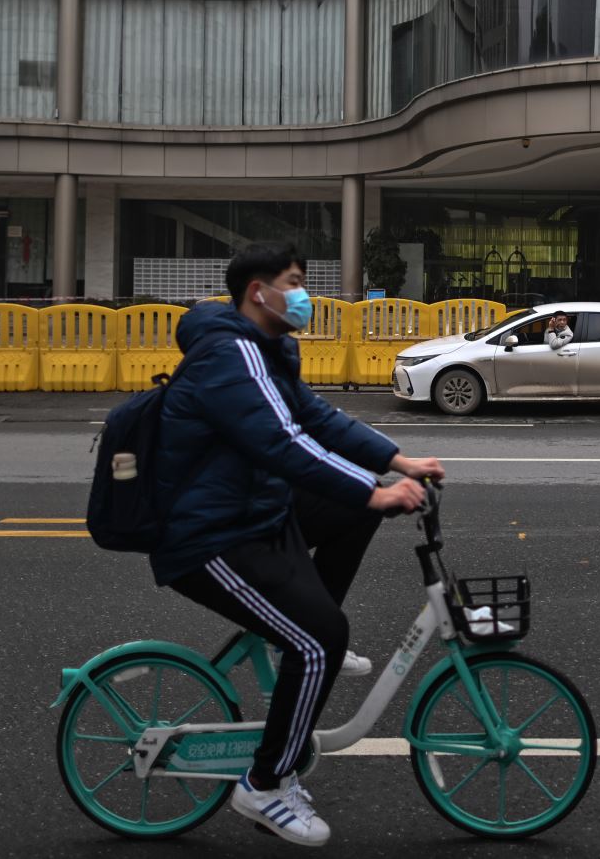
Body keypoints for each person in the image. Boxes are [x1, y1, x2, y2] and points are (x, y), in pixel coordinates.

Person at [151, 242, 445, 846]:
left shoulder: (267, 348)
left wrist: (396, 460)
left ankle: (297, 640)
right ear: (259, 292)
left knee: (348, 516)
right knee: (322, 639)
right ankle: (263, 784)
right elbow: (283, 444)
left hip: (253, 513)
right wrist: (377, 491)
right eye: (294, 281)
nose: (304, 294)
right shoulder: (229, 355)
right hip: (207, 537)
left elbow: (318, 418)